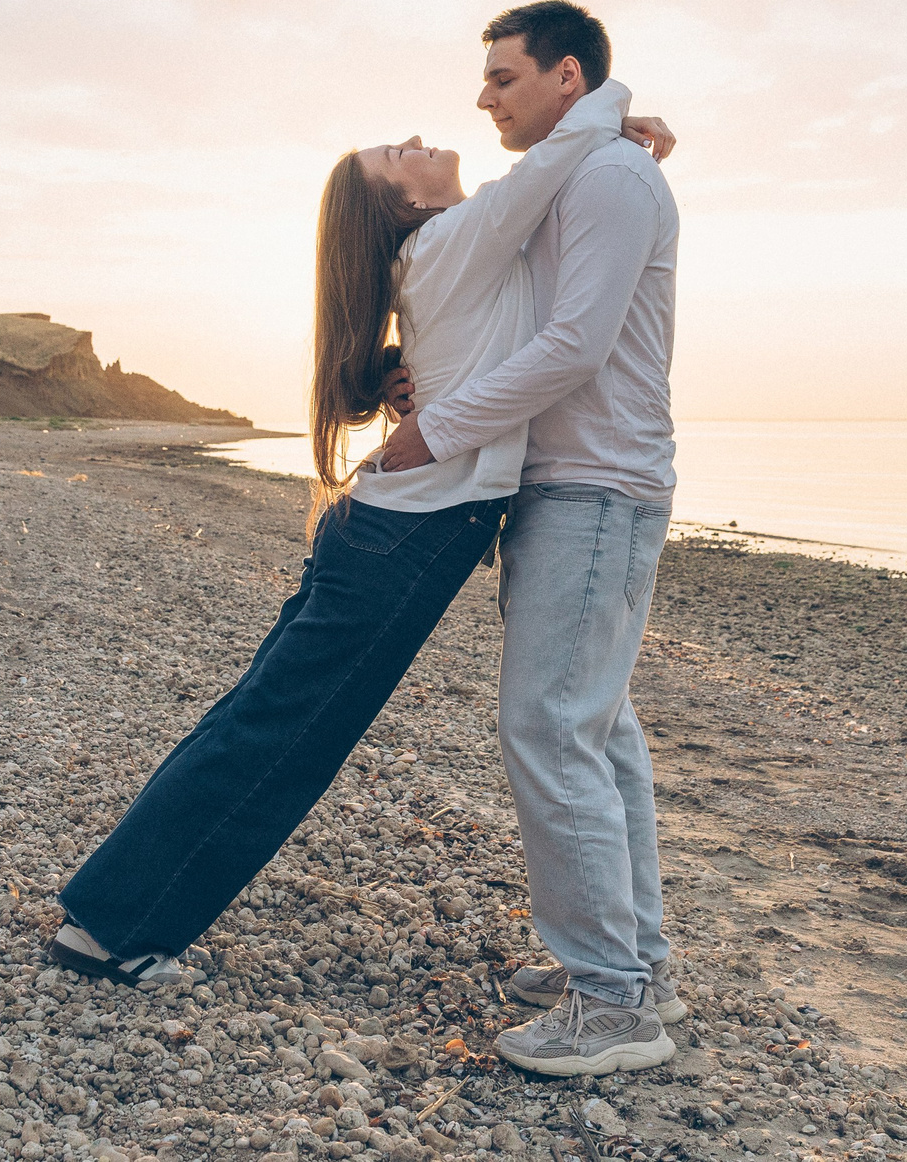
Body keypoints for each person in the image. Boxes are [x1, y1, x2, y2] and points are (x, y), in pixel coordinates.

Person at [48, 69, 675, 991]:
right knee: (281, 731)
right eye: (400, 153)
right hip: (408, 536)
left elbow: (543, 199)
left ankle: (107, 913)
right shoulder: (462, 232)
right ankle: (110, 933)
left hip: (389, 533)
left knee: (261, 716)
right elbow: (555, 163)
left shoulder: (440, 256)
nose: (422, 139)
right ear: (407, 201)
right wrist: (614, 103)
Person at [376, 0, 682, 1077]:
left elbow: (574, 342)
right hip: (568, 484)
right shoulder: (580, 164)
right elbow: (502, 314)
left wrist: (435, 431)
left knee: (549, 727)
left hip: (597, 483)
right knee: (597, 733)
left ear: (565, 74)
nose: (483, 95)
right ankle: (637, 966)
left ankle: (611, 1003)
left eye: (503, 77)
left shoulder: (604, 174)